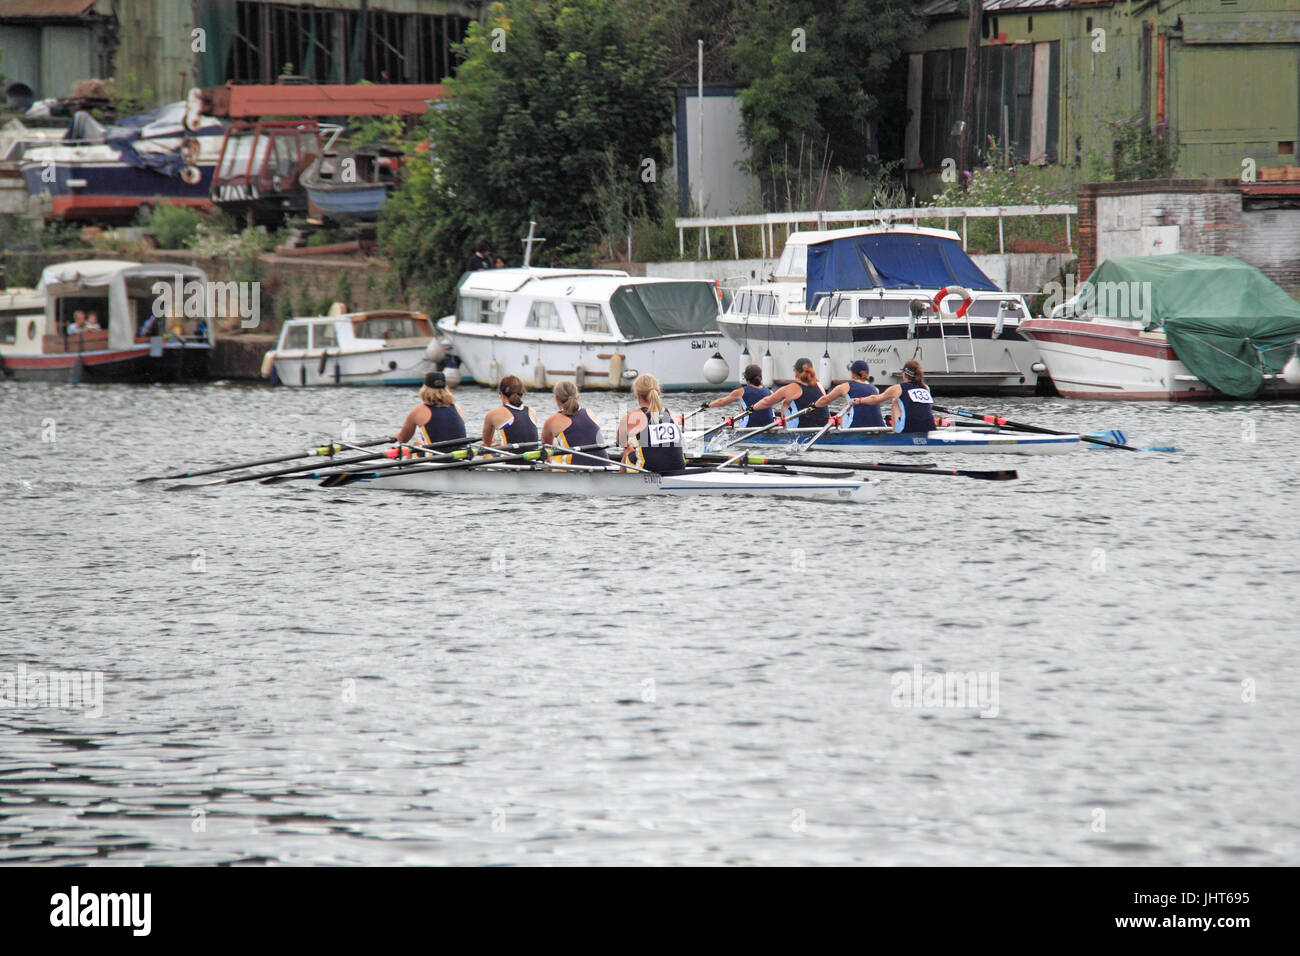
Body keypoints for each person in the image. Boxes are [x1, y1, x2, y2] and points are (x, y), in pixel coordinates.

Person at [617, 373, 685, 473]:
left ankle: (620, 483)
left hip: (647, 469)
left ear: (638, 395)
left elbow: (621, 442)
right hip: (679, 467)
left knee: (627, 450)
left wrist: (629, 447)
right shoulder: (670, 414)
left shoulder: (631, 417)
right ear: (659, 393)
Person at [857, 359, 936, 434]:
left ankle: (895, 432)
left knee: (895, 401)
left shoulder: (898, 388)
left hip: (909, 428)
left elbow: (875, 399)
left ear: (904, 374)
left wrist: (858, 400)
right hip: (930, 427)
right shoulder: (925, 387)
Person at [395, 370, 467, 451]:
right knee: (423, 441)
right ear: (446, 389)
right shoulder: (457, 408)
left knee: (417, 444)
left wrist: (391, 439)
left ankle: (406, 463)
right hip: (461, 458)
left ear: (425, 389)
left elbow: (402, 439)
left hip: (436, 459)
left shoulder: (418, 411)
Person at [751, 357, 828, 429]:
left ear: (796, 371)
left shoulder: (793, 388)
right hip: (823, 428)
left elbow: (767, 401)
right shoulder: (820, 385)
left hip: (801, 431)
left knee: (786, 403)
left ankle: (785, 430)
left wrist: (752, 408)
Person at [542, 381, 608, 464]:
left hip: (575, 471)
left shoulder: (551, 421)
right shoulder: (590, 413)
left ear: (556, 400)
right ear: (578, 397)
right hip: (605, 465)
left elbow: (546, 452)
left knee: (550, 457)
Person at [813, 359, 885, 429]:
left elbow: (825, 400)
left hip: (855, 428)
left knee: (845, 407)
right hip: (879, 427)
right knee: (850, 406)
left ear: (853, 374)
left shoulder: (845, 387)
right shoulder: (875, 389)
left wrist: (811, 407)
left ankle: (843, 431)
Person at [700, 363, 773, 429]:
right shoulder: (769, 392)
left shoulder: (741, 391)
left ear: (746, 378)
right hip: (769, 427)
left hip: (749, 427)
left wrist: (707, 405)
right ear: (760, 378)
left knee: (743, 404)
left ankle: (742, 425)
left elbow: (721, 402)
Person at [481, 375, 538, 447]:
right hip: (532, 457)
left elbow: (487, 445)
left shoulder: (492, 414)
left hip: (509, 457)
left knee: (486, 453)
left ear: (501, 394)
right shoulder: (532, 412)